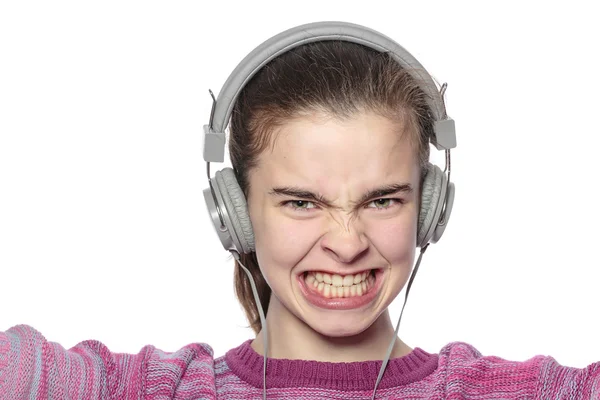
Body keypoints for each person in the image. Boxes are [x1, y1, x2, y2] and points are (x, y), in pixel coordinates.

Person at [1, 21, 598, 400]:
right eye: (301, 202)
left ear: (431, 208)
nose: (346, 242)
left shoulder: (509, 392)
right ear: (234, 213)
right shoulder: (146, 391)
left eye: (383, 199)